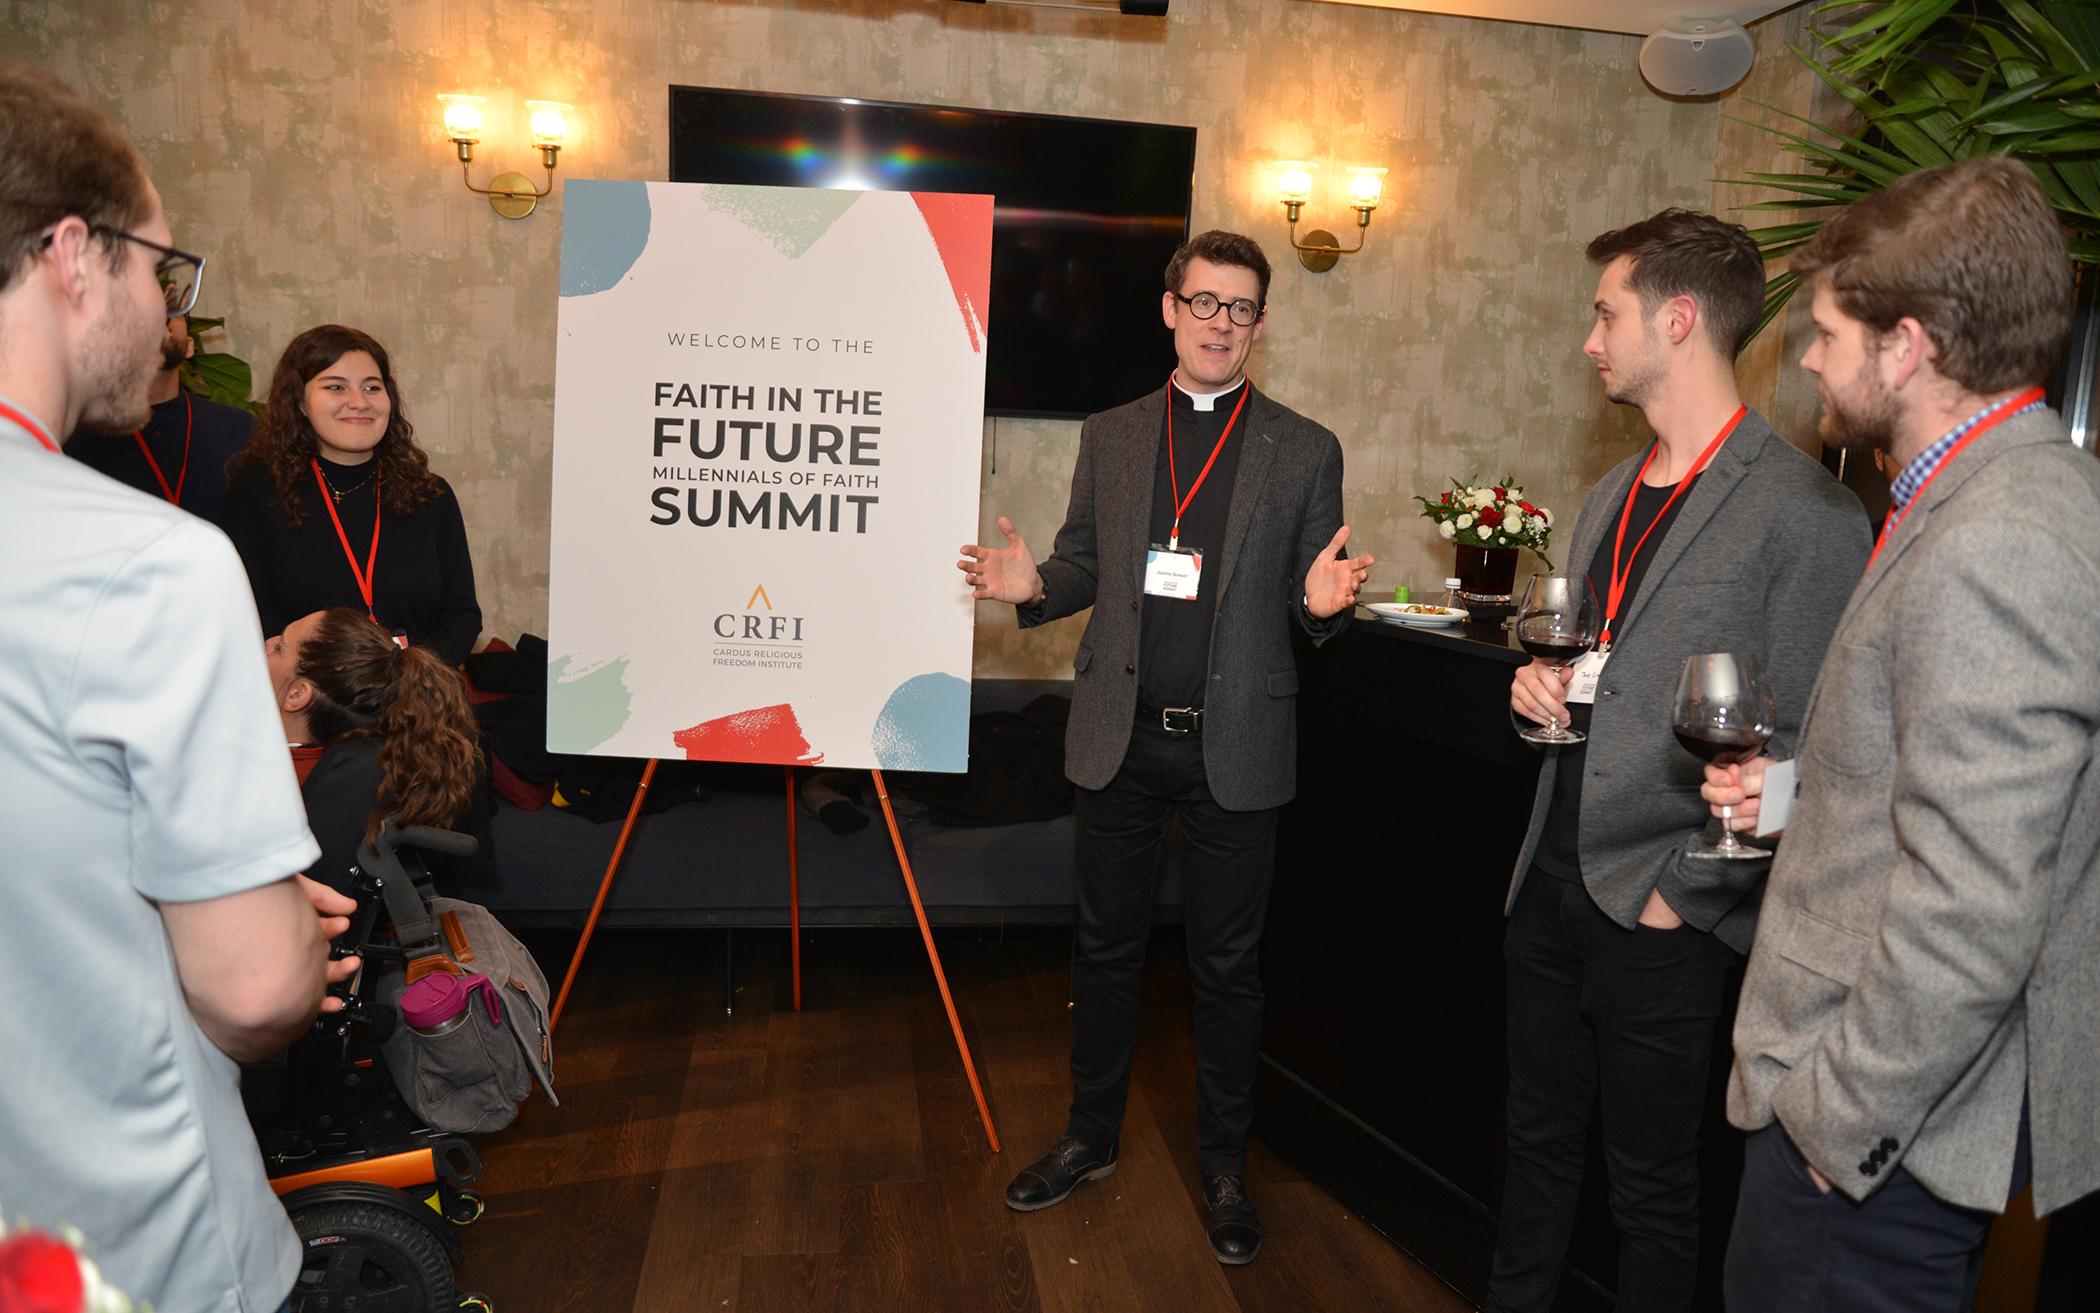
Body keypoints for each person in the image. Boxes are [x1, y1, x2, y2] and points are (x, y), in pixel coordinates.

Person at [1709, 156, 2100, 1312]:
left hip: (1876, 1147)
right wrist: (1792, 796)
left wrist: (1838, 1117)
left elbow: (1975, 901)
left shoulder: (2002, 537)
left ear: (1910, 344)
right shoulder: (1982, 493)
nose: (1810, 356)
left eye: (1828, 331)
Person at [0, 64, 356, 1313]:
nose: (171, 314)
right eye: (163, 268)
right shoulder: (150, 562)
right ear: (69, 255)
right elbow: (255, 989)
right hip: (121, 1253)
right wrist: (271, 923)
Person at [959, 229, 1372, 1266]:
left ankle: (1225, 1164)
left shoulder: (1304, 447)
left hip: (1236, 746)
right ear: (1168, 308)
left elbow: (1310, 595)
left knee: (1227, 968)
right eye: (1204, 302)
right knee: (1103, 951)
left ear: (1261, 324)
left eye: (1240, 308)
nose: (1220, 323)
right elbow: (1082, 561)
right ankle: (1091, 1135)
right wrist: (1033, 587)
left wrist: (1321, 607)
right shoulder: (1113, 433)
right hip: (1121, 740)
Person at [1490, 209, 1869, 1313]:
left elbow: (1811, 746)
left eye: (1606, 312)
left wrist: (1683, 900)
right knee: (1535, 1149)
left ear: (1680, 317)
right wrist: (1535, 697)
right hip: (1547, 886)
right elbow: (1593, 669)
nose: (1590, 338)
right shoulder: (1609, 494)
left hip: (1662, 912)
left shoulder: (1805, 512)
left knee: (1651, 1195)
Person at [224, 324, 483, 665]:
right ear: (299, 401)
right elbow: (251, 611)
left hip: (418, 700)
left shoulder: (431, 495)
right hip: (311, 703)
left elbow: (462, 616)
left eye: (372, 387)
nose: (359, 402)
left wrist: (410, 677)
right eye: (335, 387)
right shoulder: (259, 489)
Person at [267, 607, 485, 895]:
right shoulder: (367, 760)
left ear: (297, 694)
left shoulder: (337, 781)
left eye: (281, 646)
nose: (268, 642)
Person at [64, 286, 254, 526]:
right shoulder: (81, 437)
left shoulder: (239, 429)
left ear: (189, 347)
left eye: (171, 313)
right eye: (146, 315)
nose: (160, 320)